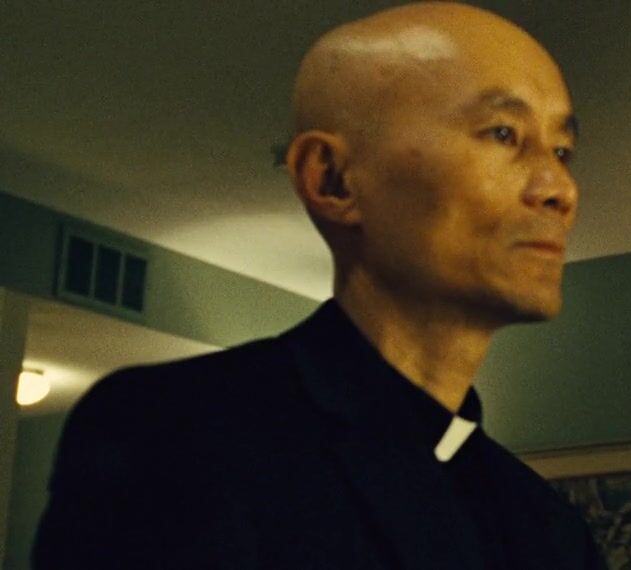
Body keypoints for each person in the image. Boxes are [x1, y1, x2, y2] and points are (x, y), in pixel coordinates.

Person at [33, 3, 602, 568]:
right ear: (332, 179)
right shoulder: (173, 433)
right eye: (504, 133)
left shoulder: (551, 531)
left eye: (562, 151)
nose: (561, 189)